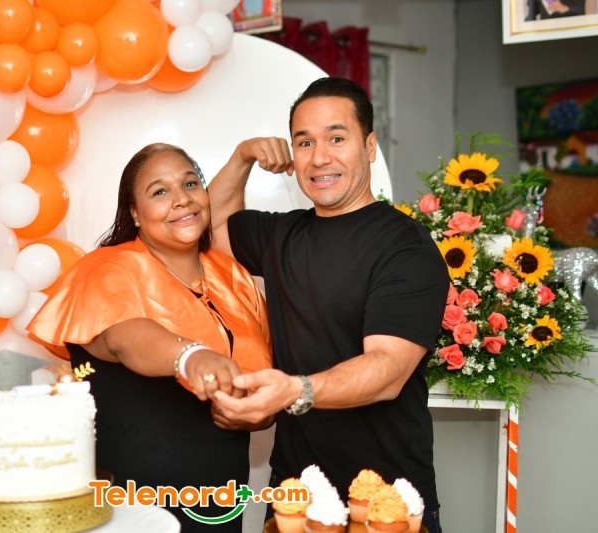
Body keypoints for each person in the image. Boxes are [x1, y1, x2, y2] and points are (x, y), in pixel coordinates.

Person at [207, 77, 450, 533]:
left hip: (385, 503)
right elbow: (212, 223)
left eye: (336, 138)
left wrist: (294, 391)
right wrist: (242, 157)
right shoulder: (282, 233)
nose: (319, 157)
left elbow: (387, 371)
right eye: (304, 142)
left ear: (369, 146)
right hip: (295, 499)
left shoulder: (405, 247)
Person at [26, 143, 273, 532]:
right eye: (160, 191)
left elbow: (259, 376)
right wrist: (190, 356)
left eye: (190, 183)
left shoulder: (234, 278)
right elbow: (124, 335)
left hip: (220, 497)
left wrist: (258, 412)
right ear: (135, 214)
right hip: (133, 497)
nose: (181, 199)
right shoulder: (105, 268)